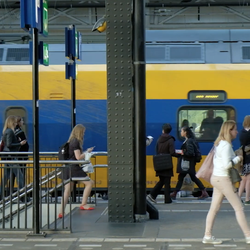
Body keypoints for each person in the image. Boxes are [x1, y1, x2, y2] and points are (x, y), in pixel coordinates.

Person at [202, 120, 250, 245]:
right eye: (234, 129)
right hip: (223, 179)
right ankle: (248, 236)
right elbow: (226, 165)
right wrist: (238, 158)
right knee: (239, 207)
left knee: (214, 209)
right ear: (229, 130)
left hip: (217, 178)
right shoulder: (226, 145)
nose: (237, 131)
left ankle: (207, 236)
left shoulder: (220, 143)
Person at [59, 124, 95, 218]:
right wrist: (87, 152)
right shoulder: (75, 142)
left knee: (67, 190)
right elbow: (78, 157)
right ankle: (83, 204)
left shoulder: (71, 141)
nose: (84, 134)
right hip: (74, 168)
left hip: (67, 167)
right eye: (83, 132)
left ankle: (61, 212)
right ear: (79, 132)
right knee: (90, 183)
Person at [170, 126, 209, 200]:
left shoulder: (189, 141)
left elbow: (190, 153)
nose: (181, 132)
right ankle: (204, 192)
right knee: (186, 177)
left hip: (187, 163)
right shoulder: (189, 140)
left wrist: (181, 152)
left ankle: (175, 193)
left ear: (185, 132)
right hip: (188, 163)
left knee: (188, 177)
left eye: (182, 131)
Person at [147, 124, 179, 204]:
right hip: (167, 162)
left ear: (163, 130)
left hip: (160, 162)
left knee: (163, 180)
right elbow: (172, 152)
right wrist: (178, 155)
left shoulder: (159, 139)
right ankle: (157, 196)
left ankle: (155, 196)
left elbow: (157, 150)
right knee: (166, 181)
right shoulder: (170, 140)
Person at [0, 115, 27, 198]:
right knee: (20, 176)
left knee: (6, 176)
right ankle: (23, 196)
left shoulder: (7, 131)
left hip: (8, 156)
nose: (16, 124)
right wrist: (20, 143)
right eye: (15, 122)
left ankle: (1, 194)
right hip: (10, 156)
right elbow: (9, 145)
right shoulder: (9, 131)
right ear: (11, 123)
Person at [238, 115, 250, 205]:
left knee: (243, 179)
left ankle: (238, 197)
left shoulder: (241, 132)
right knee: (249, 179)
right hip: (249, 158)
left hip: (243, 157)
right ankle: (247, 199)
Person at [14, 116, 29, 186]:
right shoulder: (19, 132)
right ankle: (22, 191)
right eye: (22, 121)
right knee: (20, 174)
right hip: (21, 156)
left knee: (14, 175)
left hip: (20, 156)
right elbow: (24, 142)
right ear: (18, 122)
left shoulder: (15, 131)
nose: (23, 122)